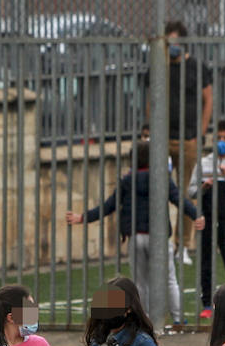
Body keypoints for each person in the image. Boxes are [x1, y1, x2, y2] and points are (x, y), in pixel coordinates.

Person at [64, 141, 203, 330]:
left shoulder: (127, 180)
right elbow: (179, 199)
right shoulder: (161, 178)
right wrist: (196, 215)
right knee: (169, 278)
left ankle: (145, 320)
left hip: (136, 236)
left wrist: (83, 217)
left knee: (141, 282)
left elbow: (109, 205)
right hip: (159, 237)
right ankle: (178, 320)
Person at [147, 20, 214, 253]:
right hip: (164, 141)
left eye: (175, 41)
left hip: (189, 140)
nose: (172, 46)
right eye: (168, 42)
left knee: (188, 193)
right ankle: (161, 241)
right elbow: (151, 101)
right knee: (159, 190)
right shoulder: (160, 67)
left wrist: (200, 133)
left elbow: (208, 100)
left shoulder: (197, 67)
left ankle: (182, 244)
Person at [188, 121, 225, 320]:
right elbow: (191, 191)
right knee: (205, 260)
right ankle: (206, 303)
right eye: (218, 139)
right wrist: (204, 186)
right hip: (207, 219)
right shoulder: (204, 162)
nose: (222, 142)